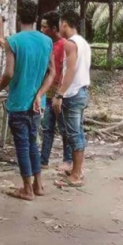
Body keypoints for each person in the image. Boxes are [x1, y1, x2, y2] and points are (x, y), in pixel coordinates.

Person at [0, 0, 55, 201]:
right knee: (33, 143)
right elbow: (52, 72)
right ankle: (38, 185)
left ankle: (26, 189)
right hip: (37, 103)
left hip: (18, 102)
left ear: (18, 18)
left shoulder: (14, 41)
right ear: (35, 19)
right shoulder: (46, 41)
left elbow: (8, 72)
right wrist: (40, 93)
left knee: (23, 146)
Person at [53, 11, 91, 188]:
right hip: (82, 91)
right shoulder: (83, 42)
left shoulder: (70, 43)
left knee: (74, 134)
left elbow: (70, 71)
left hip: (73, 93)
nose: (59, 27)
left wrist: (60, 94)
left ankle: (76, 175)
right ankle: (77, 169)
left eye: (60, 23)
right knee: (77, 132)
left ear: (65, 24)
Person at [40, 11, 72, 171]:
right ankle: (43, 160)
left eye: (44, 27)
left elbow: (65, 71)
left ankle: (68, 160)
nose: (42, 30)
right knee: (47, 127)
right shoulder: (46, 44)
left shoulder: (64, 45)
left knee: (64, 128)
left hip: (60, 94)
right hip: (48, 92)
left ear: (53, 28)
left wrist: (59, 94)